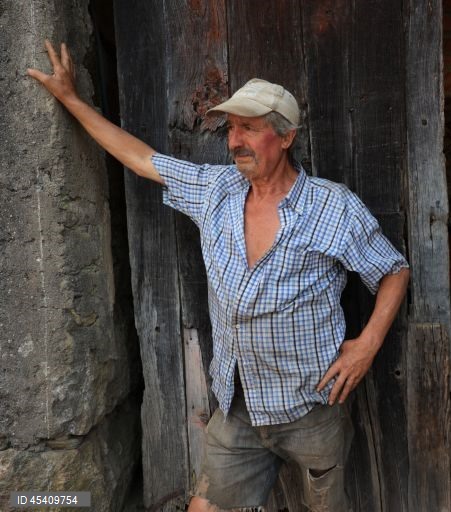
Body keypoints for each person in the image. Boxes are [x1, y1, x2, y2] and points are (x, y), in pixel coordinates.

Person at [28, 40, 410, 512]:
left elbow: (394, 270)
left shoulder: (333, 207)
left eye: (249, 128)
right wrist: (70, 100)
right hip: (236, 408)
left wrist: (366, 345)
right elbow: (142, 158)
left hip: (312, 405)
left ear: (286, 137)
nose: (234, 141)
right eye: (231, 128)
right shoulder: (217, 190)